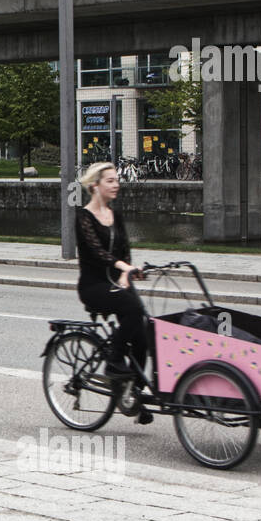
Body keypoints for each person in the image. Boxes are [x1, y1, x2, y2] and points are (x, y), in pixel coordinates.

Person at [76, 161, 150, 394]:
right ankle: (113, 362)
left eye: (117, 180)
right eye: (110, 181)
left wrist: (129, 273)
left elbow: (124, 250)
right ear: (95, 186)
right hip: (93, 285)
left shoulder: (115, 216)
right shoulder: (84, 217)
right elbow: (98, 252)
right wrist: (123, 268)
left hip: (116, 282)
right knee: (133, 309)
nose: (116, 185)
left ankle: (133, 394)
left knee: (142, 335)